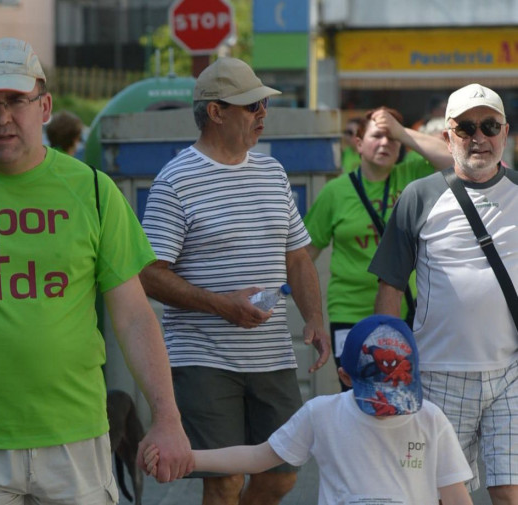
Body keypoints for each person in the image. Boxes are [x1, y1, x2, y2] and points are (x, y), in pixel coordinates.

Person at [0, 37, 193, 503]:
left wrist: (167, 417)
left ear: (44, 106)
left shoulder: (93, 190)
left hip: (75, 440)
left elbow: (133, 316)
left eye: (15, 100)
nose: (2, 116)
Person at [139, 56, 331, 505]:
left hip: (271, 358)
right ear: (216, 111)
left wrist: (314, 320)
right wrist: (223, 305)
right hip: (203, 360)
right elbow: (149, 275)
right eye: (251, 106)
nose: (262, 114)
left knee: (282, 474)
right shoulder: (175, 181)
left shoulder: (272, 172)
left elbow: (298, 257)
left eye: (263, 105)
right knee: (223, 482)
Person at [143, 315, 474, 505]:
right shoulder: (322, 413)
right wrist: (188, 458)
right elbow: (260, 456)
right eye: (378, 397)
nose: (390, 410)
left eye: (399, 391)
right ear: (344, 377)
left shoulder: (430, 419)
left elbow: (455, 493)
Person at [370, 83, 516, 503]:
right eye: (466, 127)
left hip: (511, 373)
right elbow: (390, 286)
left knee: (509, 491)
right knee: (441, 494)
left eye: (489, 126)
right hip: (437, 375)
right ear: (448, 136)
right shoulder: (419, 196)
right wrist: (388, 365)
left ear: (504, 133)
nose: (479, 138)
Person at [303, 106, 452, 387]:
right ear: (358, 144)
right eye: (377, 136)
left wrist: (402, 132)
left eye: (391, 138)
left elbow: (454, 158)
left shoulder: (412, 177)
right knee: (357, 391)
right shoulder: (335, 193)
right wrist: (309, 313)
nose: (385, 143)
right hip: (349, 314)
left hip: (406, 311)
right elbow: (305, 255)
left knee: (402, 393)